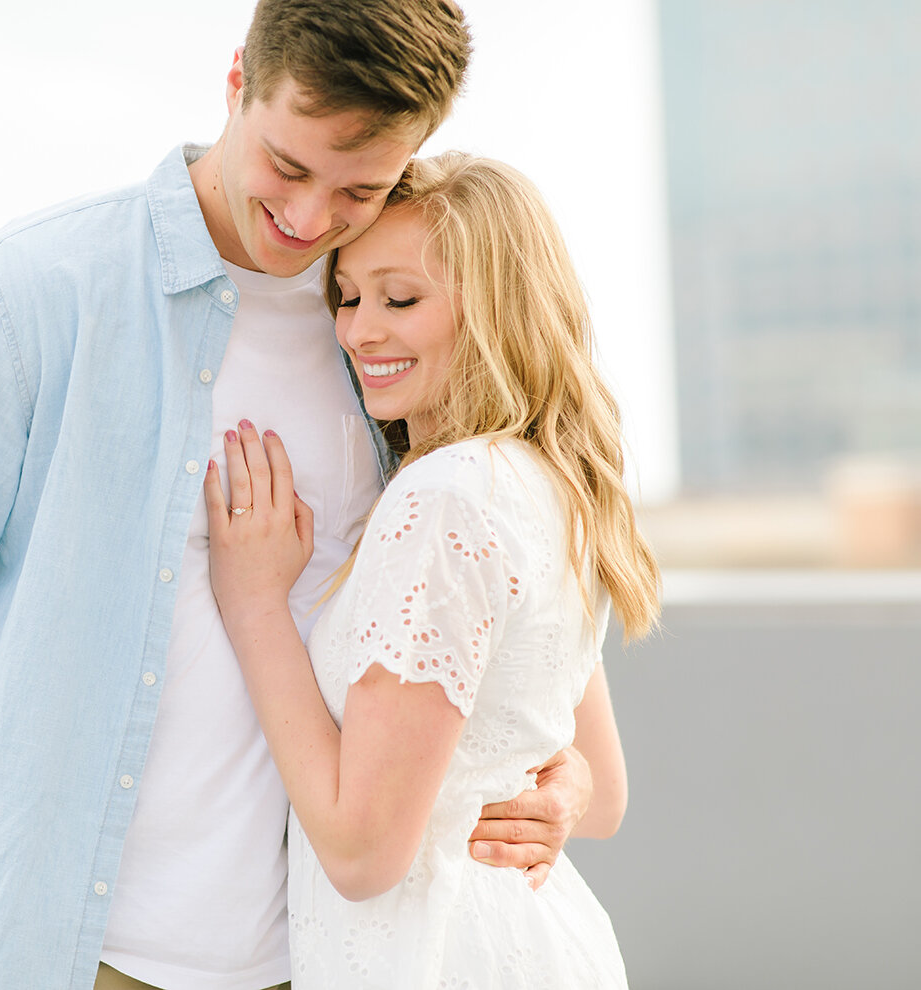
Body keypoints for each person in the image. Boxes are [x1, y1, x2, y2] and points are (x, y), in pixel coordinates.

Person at [0, 5, 608, 989]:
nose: (312, 220)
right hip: (82, 960)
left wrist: (559, 782)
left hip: (327, 959)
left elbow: (506, 642)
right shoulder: (26, 295)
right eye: (287, 166)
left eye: (358, 189)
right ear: (237, 80)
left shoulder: (389, 330)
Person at [204, 152, 660, 988]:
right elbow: (606, 792)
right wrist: (560, 788)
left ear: (495, 307)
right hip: (536, 939)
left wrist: (255, 605)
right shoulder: (546, 481)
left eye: (399, 298)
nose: (357, 331)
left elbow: (361, 853)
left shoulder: (445, 499)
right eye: (346, 297)